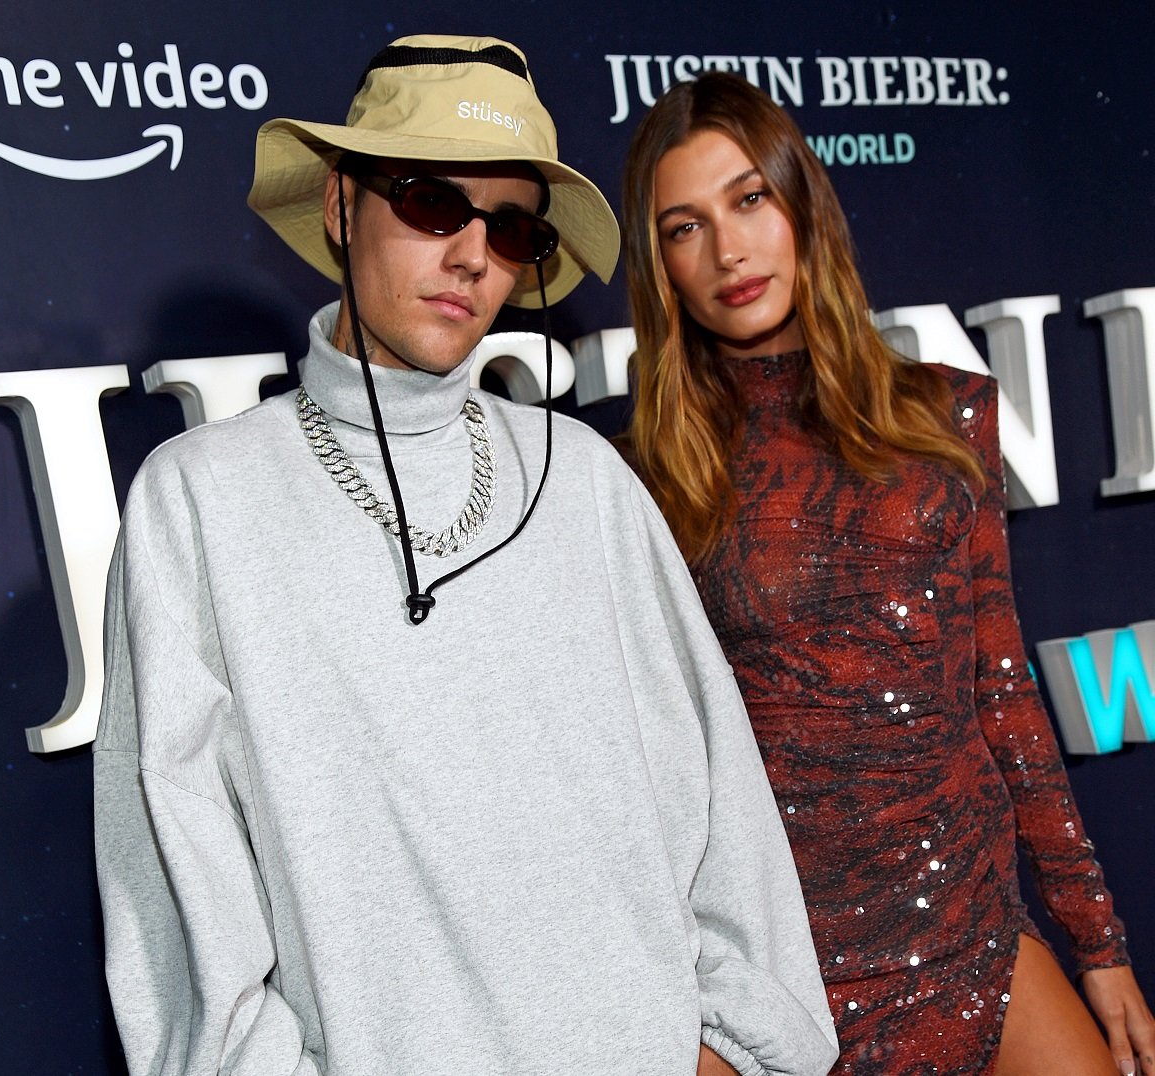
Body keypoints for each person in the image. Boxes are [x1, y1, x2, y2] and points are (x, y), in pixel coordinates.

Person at [92, 37, 838, 1076]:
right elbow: (179, 911)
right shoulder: (200, 501)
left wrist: (731, 1053)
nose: (474, 253)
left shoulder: (584, 478)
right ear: (342, 207)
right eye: (433, 202)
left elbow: (725, 816)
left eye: (513, 224)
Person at [620, 71, 1155, 1076]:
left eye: (749, 199)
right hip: (780, 985)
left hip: (974, 937)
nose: (730, 249)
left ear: (801, 208)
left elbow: (1001, 695)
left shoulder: (947, 416)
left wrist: (1100, 947)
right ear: (663, 269)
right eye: (685, 228)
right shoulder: (644, 481)